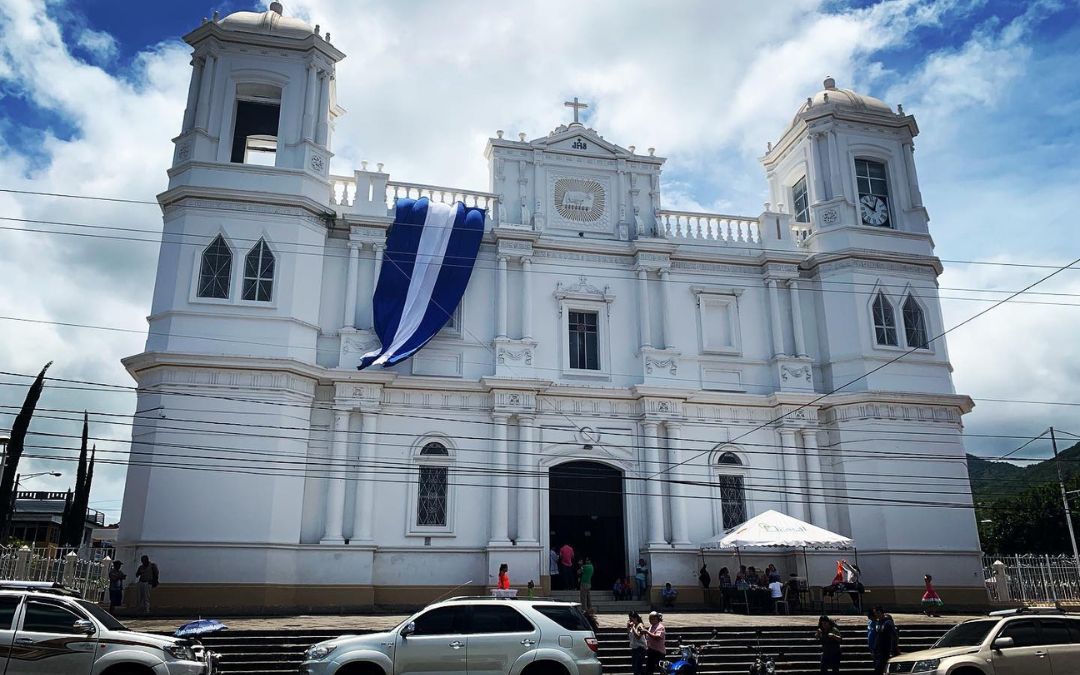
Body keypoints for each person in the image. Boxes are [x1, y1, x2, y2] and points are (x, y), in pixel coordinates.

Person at [871, 606, 900, 675]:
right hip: (879, 651)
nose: (876, 615)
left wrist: (893, 649)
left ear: (882, 613)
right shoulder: (878, 623)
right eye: (875, 613)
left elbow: (894, 637)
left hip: (886, 651)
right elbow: (878, 637)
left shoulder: (888, 623)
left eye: (878, 613)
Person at [644, 611, 666, 675]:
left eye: (653, 619)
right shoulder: (651, 626)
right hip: (651, 650)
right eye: (650, 619)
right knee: (649, 670)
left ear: (657, 619)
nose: (651, 620)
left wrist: (647, 632)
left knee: (661, 670)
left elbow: (657, 637)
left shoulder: (660, 627)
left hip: (658, 652)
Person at [627, 611, 647, 675]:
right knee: (635, 667)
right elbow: (630, 637)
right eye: (629, 619)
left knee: (638, 668)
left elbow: (638, 636)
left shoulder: (640, 625)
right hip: (634, 649)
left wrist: (632, 627)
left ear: (635, 618)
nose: (630, 621)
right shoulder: (633, 626)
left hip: (640, 649)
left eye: (631, 619)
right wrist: (628, 628)